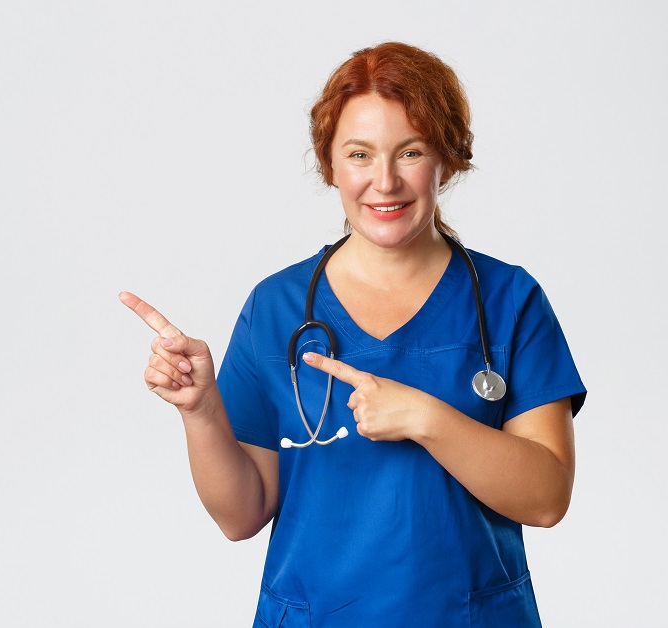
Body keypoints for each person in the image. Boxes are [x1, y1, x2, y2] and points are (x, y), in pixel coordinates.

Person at [119, 42, 586, 627]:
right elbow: (241, 516)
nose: (384, 182)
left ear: (446, 157)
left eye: (409, 152)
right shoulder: (277, 308)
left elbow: (546, 499)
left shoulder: (509, 301)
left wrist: (425, 418)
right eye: (360, 155)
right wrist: (201, 411)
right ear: (331, 165)